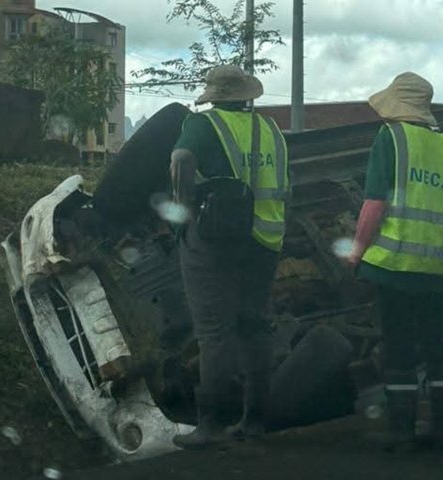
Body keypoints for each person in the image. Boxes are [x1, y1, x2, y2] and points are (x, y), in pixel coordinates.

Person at [169, 65, 290, 449]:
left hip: (218, 238)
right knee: (254, 326)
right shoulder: (271, 129)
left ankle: (210, 425)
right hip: (266, 238)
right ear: (247, 96)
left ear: (215, 96)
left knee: (214, 332)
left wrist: (183, 206)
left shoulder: (203, 125)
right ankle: (254, 420)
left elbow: (181, 159)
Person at [347, 72, 443, 451]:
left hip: (393, 264)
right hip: (433, 265)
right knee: (436, 343)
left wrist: (357, 250)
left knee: (398, 345)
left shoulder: (391, 138)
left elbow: (374, 203)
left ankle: (401, 430)